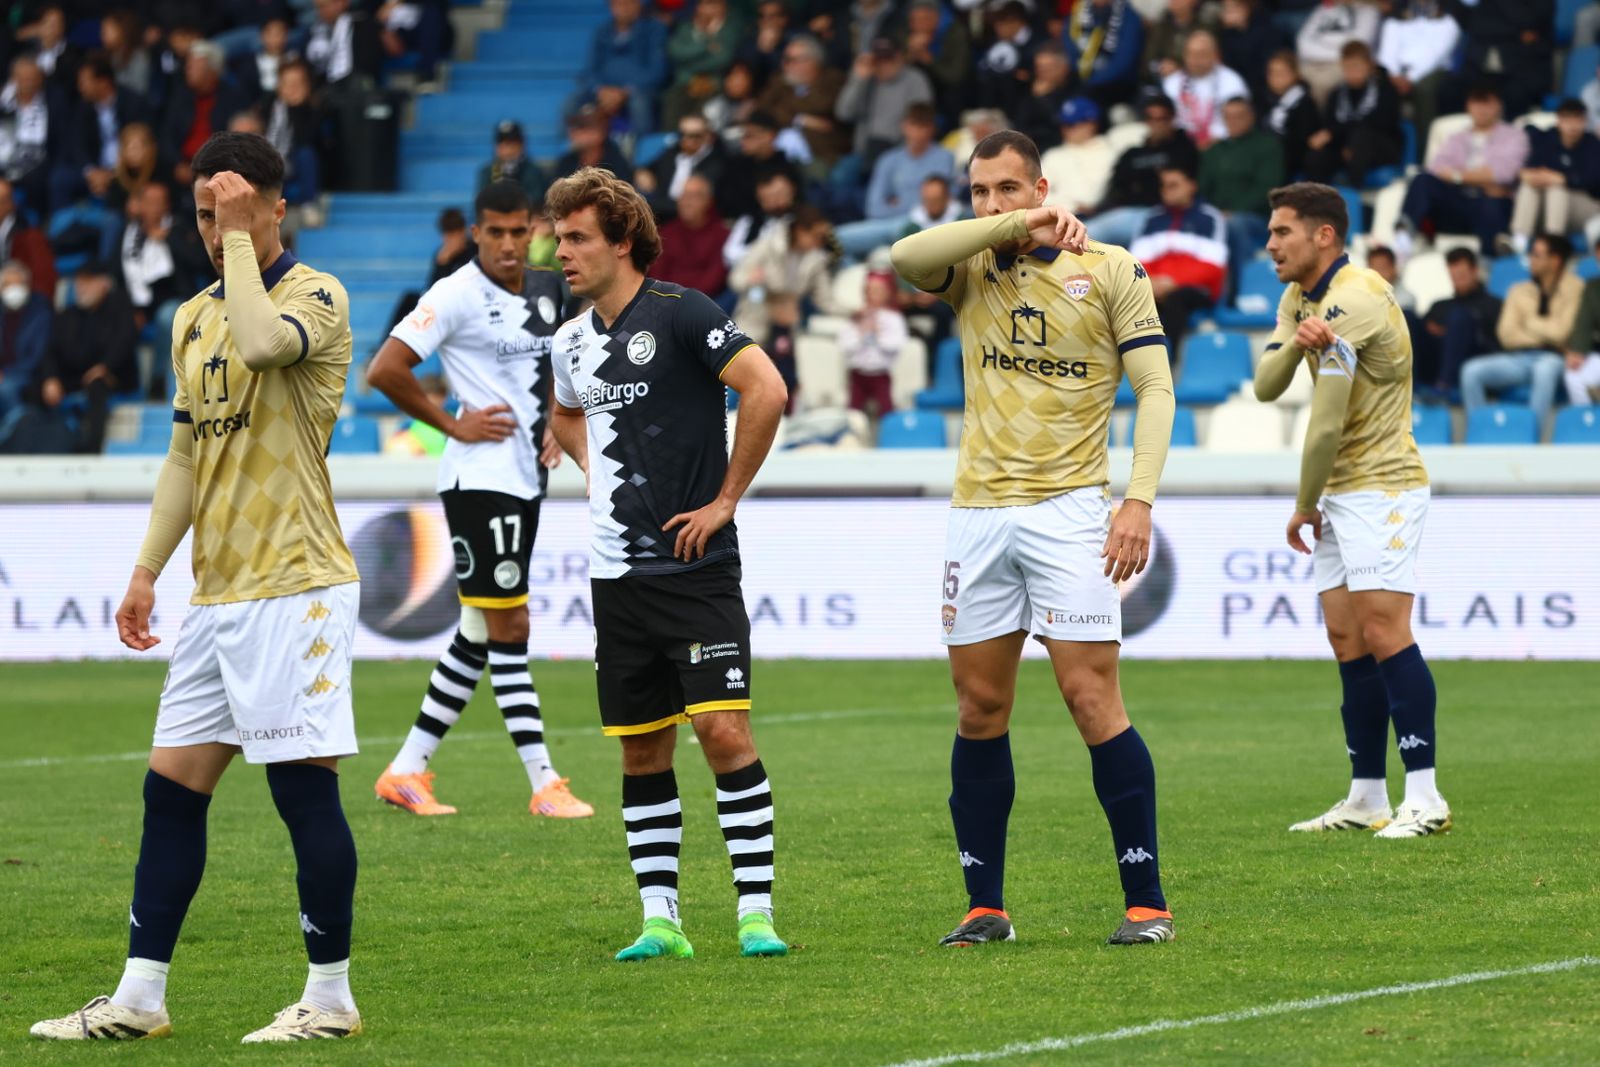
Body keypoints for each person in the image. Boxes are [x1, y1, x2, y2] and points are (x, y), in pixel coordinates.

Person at [29, 131, 364, 1042]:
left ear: (275, 207)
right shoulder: (187, 317)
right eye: (206, 215)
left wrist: (248, 240)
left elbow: (261, 348)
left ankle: (330, 1000)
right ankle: (140, 998)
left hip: (297, 582)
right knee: (170, 790)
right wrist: (146, 570)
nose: (217, 230)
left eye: (237, 210)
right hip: (218, 595)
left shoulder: (316, 295)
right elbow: (184, 454)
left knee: (303, 791)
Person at [890, 130, 1178, 949]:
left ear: (1043, 187)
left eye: (1008, 189)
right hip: (976, 513)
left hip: (1070, 511)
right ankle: (986, 907)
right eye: (978, 192)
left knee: (1092, 700)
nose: (990, 204)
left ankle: (1146, 902)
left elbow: (1156, 388)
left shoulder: (1113, 269)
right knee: (979, 707)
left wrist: (1139, 499)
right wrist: (1008, 227)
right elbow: (909, 254)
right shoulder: (971, 262)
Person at [545, 166, 792, 962]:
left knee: (722, 731)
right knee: (641, 745)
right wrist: (597, 476)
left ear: (623, 240)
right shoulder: (570, 341)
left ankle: (755, 913)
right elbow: (563, 410)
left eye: (578, 237)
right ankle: (661, 920)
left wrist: (724, 501)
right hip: (616, 579)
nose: (562, 252)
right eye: (561, 236)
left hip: (697, 570)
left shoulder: (685, 313)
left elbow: (767, 389)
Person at [365, 181, 594, 819]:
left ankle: (407, 771)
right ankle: (545, 783)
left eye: (519, 230)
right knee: (509, 626)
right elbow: (384, 370)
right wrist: (452, 424)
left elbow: (560, 364)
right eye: (494, 232)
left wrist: (556, 414)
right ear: (476, 233)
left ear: (534, 231)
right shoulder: (454, 295)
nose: (508, 244)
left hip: (525, 476)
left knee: (476, 630)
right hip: (479, 479)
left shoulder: (550, 289)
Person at [1253, 181, 1447, 840]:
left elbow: (1327, 422)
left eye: (1282, 232)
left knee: (1386, 630)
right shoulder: (1298, 298)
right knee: (1347, 640)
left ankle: (1425, 796)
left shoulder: (1357, 300)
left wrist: (1302, 503)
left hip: (1383, 485)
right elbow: (1265, 384)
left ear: (1324, 235)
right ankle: (1367, 795)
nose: (1270, 243)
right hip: (1341, 492)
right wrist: (1299, 341)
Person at [1460, 232, 1580, 432]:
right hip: (1519, 358)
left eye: (1536, 255)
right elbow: (1506, 335)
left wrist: (1528, 322)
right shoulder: (1518, 290)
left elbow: (1562, 333)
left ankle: (1531, 436)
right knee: (1471, 372)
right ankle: (1481, 432)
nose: (1530, 259)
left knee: (1545, 370)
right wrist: (1544, 334)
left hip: (1555, 357)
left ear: (1555, 260)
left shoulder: (1575, 288)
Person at [1395, 85, 1528, 258]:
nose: (1482, 109)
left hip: (1490, 204)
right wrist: (1475, 178)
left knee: (1493, 202)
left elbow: (1505, 173)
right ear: (1469, 106)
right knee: (1422, 181)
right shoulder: (1457, 137)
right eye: (1477, 103)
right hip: (1458, 200)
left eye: (1487, 103)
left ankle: (1490, 259)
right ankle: (1403, 238)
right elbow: (1437, 168)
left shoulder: (1514, 135)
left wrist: (1457, 175)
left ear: (1498, 106)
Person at [729, 204, 838, 407]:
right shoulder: (767, 246)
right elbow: (736, 279)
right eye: (816, 236)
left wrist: (855, 311)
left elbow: (826, 300)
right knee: (742, 376)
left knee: (787, 383)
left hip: (787, 327)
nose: (819, 242)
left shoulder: (816, 259)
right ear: (800, 231)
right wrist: (751, 279)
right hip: (756, 318)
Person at [36, 258, 138, 453]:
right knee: (32, 387)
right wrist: (50, 378)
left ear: (103, 284)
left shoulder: (119, 308)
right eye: (78, 282)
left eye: (87, 281)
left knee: (97, 387)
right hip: (74, 376)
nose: (80, 287)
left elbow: (125, 341)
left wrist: (106, 366)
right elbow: (50, 350)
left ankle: (91, 449)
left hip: (112, 376)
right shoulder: (67, 314)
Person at [1129, 165, 1229, 360]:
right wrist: (1151, 282)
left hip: (1196, 289)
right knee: (1133, 299)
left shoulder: (1209, 217)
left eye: (1174, 185)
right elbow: (1134, 261)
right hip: (1155, 286)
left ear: (1192, 186)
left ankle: (1170, 363)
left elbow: (1213, 267)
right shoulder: (1151, 218)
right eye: (1164, 185)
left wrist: (1172, 283)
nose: (1167, 190)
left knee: (1176, 299)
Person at [834, 102, 955, 261]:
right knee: (835, 239)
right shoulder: (889, 159)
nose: (918, 132)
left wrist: (899, 204)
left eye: (923, 126)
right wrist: (911, 206)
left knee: (902, 230)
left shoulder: (945, 157)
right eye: (914, 125)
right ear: (904, 126)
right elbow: (873, 207)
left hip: (927, 224)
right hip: (888, 224)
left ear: (932, 129)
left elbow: (944, 202)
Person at [1093, 91, 1200, 250]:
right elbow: (1115, 186)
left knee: (1089, 233)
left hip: (1165, 213)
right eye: (1151, 118)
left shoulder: (1184, 149)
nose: (1156, 123)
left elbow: (1188, 185)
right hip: (1127, 210)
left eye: (1162, 118)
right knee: (1087, 230)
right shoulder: (1132, 153)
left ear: (1172, 119)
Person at [1198, 96, 1283, 278]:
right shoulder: (1214, 151)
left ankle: (1244, 282)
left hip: (1256, 219)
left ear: (1251, 117)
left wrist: (1232, 211)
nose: (1233, 121)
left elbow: (1267, 190)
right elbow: (1202, 188)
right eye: (1228, 117)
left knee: (1235, 224)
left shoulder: (1267, 146)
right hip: (1217, 216)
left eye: (1239, 116)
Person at [1303, 41, 1401, 188]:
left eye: (1357, 67)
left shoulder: (1386, 90)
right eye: (1347, 68)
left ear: (1369, 65)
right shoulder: (1336, 94)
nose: (1352, 73)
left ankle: (1352, 195)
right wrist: (1336, 138)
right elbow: (1330, 124)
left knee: (1361, 138)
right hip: (1344, 148)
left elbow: (1380, 123)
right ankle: (1316, 200)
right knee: (1316, 155)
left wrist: (1338, 135)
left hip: (1380, 147)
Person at [1509, 100, 1600, 258]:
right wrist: (1532, 176)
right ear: (1558, 120)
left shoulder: (1593, 144)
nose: (1572, 125)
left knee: (1557, 188)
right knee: (1531, 185)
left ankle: (1553, 245)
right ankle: (1519, 241)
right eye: (1567, 119)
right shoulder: (1548, 138)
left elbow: (1593, 180)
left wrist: (1562, 179)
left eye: (1577, 119)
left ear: (1584, 121)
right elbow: (1532, 169)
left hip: (1587, 207)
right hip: (1547, 205)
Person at [834, 37, 934, 172]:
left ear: (899, 58)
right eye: (878, 60)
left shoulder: (915, 79)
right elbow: (843, 113)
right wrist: (858, 81)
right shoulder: (865, 79)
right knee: (840, 177)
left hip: (900, 152)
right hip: (863, 153)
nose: (883, 65)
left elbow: (921, 119)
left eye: (888, 59)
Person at [571, 0, 667, 136]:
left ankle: (640, 150)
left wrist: (625, 91)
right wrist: (600, 89)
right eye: (619, 4)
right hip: (603, 90)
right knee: (571, 103)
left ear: (639, 5)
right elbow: (590, 68)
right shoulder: (602, 31)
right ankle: (570, 150)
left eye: (629, 3)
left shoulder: (654, 29)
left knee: (639, 103)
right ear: (611, 7)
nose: (624, 9)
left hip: (637, 90)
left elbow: (657, 70)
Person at [1413, 246, 1501, 394]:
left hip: (1469, 364)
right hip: (1434, 362)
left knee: (1459, 317)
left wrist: (1452, 331)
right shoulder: (1439, 305)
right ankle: (1408, 384)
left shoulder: (1493, 305)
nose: (1457, 281)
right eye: (1453, 276)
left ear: (1475, 271)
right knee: (1408, 316)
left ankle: (1444, 385)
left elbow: (1493, 345)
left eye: (1462, 275)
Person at [1161, 29, 1250, 150]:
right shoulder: (1172, 83)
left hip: (1223, 146)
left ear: (1215, 55)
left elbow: (1239, 122)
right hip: (1180, 147)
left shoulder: (1232, 82)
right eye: (1190, 54)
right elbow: (1166, 120)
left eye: (1201, 54)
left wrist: (1209, 143)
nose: (1195, 60)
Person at [838, 268, 905, 417]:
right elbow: (845, 346)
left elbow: (895, 346)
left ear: (888, 293)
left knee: (886, 409)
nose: (874, 294)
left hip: (880, 374)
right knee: (853, 413)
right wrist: (861, 333)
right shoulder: (857, 316)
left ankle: (887, 437)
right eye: (871, 290)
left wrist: (878, 334)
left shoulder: (893, 318)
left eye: (879, 290)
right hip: (858, 374)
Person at [636, 113, 725, 222]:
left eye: (695, 136)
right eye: (682, 134)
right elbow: (648, 168)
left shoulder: (716, 163)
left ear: (708, 137)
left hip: (688, 218)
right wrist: (643, 173)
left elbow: (697, 202)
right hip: (660, 211)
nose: (687, 139)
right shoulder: (672, 153)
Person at [654, 173, 731, 299]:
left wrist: (687, 301)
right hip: (665, 302)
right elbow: (656, 274)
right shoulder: (666, 233)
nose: (687, 202)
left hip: (704, 304)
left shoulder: (722, 236)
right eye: (684, 196)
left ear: (709, 201)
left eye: (695, 196)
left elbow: (714, 279)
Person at [1294, 0, 1380, 108]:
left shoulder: (1369, 11)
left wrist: (1322, 51)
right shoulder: (1324, 8)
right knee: (1289, 75)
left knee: (1323, 82)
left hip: (1343, 62)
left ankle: (1322, 122)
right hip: (1312, 61)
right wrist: (1335, 51)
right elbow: (1302, 42)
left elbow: (1357, 46)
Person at [1064, 0, 1145, 113]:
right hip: (1080, 80)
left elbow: (1125, 60)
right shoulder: (1078, 13)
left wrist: (1094, 81)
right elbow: (1069, 47)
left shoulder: (1129, 17)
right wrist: (1080, 72)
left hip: (1118, 86)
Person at [1041, 97, 1115, 217]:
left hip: (1103, 215)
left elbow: (1095, 196)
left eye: (1071, 125)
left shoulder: (1109, 150)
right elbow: (1037, 194)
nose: (1065, 130)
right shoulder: (1053, 155)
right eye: (1063, 125)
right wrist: (1072, 206)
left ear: (1091, 124)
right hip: (1062, 217)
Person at [0, 259, 51, 424]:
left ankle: (15, 437)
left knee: (6, 388)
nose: (13, 290)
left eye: (18, 284)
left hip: (28, 373)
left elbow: (37, 355)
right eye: (8, 285)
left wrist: (5, 374)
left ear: (27, 286)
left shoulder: (40, 310)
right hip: (3, 373)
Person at [1260, 51, 1321, 180]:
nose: (1275, 78)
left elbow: (1303, 139)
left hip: (1289, 160)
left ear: (1295, 75)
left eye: (1281, 73)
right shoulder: (1263, 99)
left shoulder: (1304, 102)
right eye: (1272, 73)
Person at [1566, 237, 1600, 406]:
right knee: (1575, 376)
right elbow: (1583, 322)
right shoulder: (1593, 287)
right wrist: (1578, 350)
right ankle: (1590, 425)